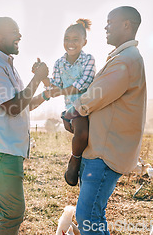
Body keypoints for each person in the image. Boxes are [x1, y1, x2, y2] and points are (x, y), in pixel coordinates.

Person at [62, 6, 146, 234]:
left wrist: (70, 111)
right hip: (100, 149)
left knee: (88, 215)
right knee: (89, 213)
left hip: (104, 153)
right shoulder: (123, 58)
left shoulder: (125, 61)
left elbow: (95, 94)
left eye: (110, 22)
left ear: (126, 25)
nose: (106, 27)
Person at [0, 17, 49, 235]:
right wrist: (37, 78)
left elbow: (22, 105)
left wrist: (44, 93)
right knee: (14, 213)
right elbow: (13, 107)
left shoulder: (5, 65)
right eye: (14, 32)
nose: (19, 36)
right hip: (2, 150)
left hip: (5, 149)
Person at [46, 18, 96, 186]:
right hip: (72, 108)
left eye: (75, 39)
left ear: (84, 42)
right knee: (81, 132)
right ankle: (74, 161)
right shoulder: (59, 63)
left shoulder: (89, 59)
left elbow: (83, 84)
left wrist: (59, 91)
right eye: (67, 39)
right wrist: (42, 77)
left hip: (90, 104)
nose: (70, 43)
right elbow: (55, 87)